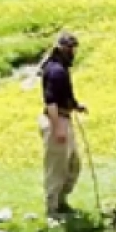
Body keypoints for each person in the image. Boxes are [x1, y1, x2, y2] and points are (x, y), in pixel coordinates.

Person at [40, 33, 86, 218]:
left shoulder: (61, 69)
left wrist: (75, 106)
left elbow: (64, 94)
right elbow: (50, 101)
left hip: (63, 118)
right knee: (56, 167)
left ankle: (61, 201)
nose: (73, 52)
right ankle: (52, 210)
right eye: (71, 49)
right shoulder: (55, 71)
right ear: (62, 49)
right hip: (56, 121)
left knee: (73, 164)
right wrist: (58, 127)